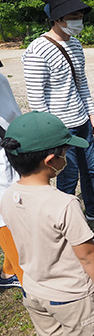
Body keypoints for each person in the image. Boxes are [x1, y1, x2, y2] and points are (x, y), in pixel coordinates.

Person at [0, 111, 94, 336]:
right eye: (65, 151)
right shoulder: (64, 204)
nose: (67, 156)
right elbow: (87, 253)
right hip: (71, 295)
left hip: (33, 287)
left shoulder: (8, 195)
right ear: (50, 161)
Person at [22, 0, 94, 221]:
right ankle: (65, 220)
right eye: (73, 17)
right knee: (67, 176)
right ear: (58, 19)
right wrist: (51, 132)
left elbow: (81, 84)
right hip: (60, 128)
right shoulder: (37, 50)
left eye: (80, 16)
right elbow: (36, 99)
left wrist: (91, 114)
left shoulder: (76, 45)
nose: (78, 21)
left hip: (82, 121)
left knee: (91, 169)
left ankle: (93, 210)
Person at [0, 68, 22, 288]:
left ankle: (8, 272)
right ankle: (26, 277)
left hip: (11, 148)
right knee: (4, 214)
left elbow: (13, 114)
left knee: (18, 203)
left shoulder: (1, 79)